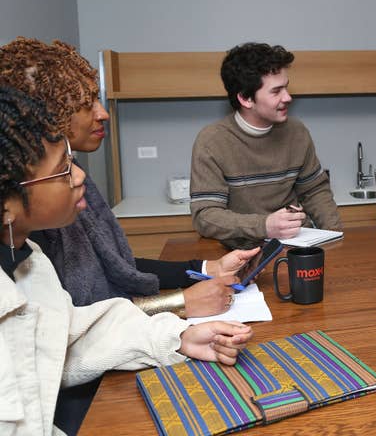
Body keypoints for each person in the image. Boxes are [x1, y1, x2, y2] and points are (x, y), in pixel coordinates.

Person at [0, 87, 253, 435]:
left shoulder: (29, 257)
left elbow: (69, 335)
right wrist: (180, 303)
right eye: (63, 170)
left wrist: (179, 337)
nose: (79, 176)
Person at [0, 37, 260, 317]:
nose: (103, 113)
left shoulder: (66, 187)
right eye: (87, 104)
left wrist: (207, 268)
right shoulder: (31, 208)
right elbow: (69, 327)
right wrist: (180, 303)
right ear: (46, 112)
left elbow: (117, 265)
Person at [190, 42, 342, 248]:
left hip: (295, 247)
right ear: (246, 98)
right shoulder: (212, 142)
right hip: (241, 252)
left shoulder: (297, 132)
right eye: (276, 91)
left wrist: (334, 236)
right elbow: (205, 216)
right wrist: (264, 225)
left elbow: (315, 191)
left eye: (286, 87)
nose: (288, 97)